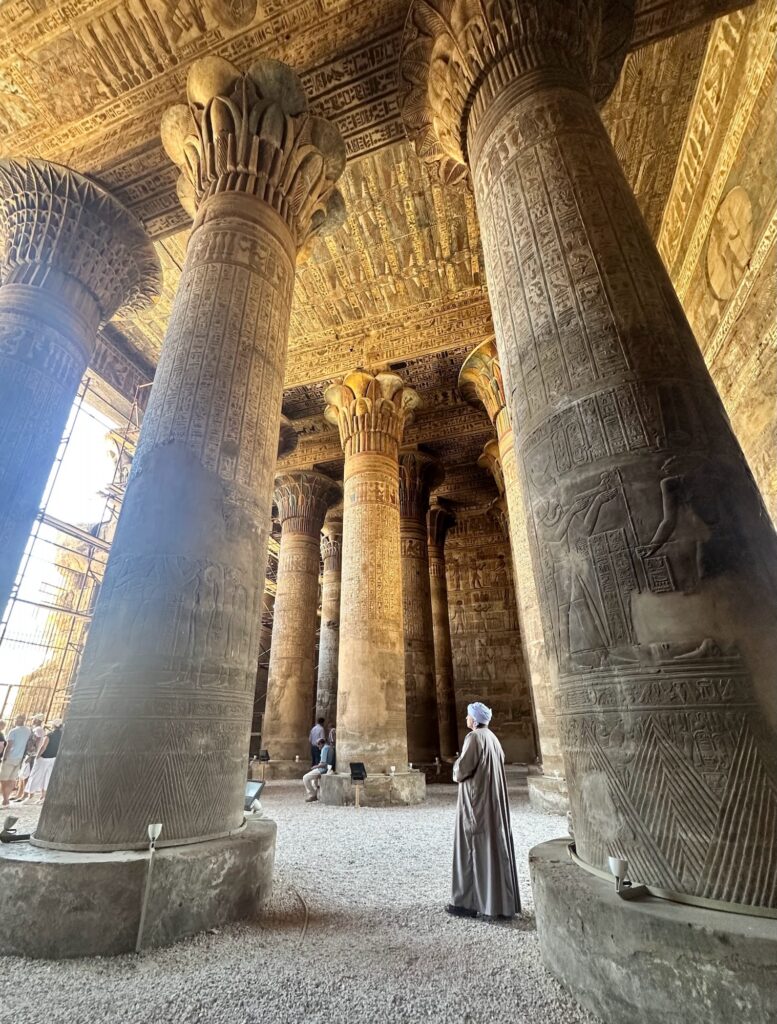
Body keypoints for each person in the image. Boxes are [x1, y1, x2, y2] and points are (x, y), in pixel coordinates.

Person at [447, 701, 521, 920]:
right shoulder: (493, 738)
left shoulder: (474, 738)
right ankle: (497, 904)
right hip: (492, 803)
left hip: (476, 804)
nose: (466, 719)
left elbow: (461, 770)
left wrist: (454, 766)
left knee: (472, 849)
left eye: (468, 716)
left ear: (475, 719)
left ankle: (466, 903)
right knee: (492, 850)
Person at [25, 718, 63, 803]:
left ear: (53, 725)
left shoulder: (50, 735)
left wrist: (37, 756)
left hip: (43, 758)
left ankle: (30, 796)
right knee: (47, 777)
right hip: (53, 758)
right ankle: (43, 797)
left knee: (35, 776)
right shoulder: (63, 735)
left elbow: (43, 747)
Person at [0, 714, 32, 807]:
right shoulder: (28, 731)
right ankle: (6, 799)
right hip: (20, 758)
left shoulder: (13, 731)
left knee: (3, 779)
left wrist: (4, 757)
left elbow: (9, 746)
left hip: (10, 757)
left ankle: (5, 799)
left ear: (17, 720)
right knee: (12, 779)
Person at [17, 713, 45, 803]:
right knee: (23, 774)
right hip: (28, 754)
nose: (32, 720)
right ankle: (20, 793)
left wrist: (32, 755)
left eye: (34, 719)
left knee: (27, 775)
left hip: (31, 755)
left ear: (37, 720)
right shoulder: (35, 729)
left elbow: (36, 744)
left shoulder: (38, 730)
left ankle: (25, 794)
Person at [302, 737, 335, 802]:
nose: (318, 747)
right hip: (326, 769)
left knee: (305, 778)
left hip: (322, 770)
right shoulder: (329, 748)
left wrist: (315, 766)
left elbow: (323, 764)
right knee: (313, 781)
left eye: (318, 745)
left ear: (321, 744)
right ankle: (315, 794)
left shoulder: (325, 749)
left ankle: (312, 795)